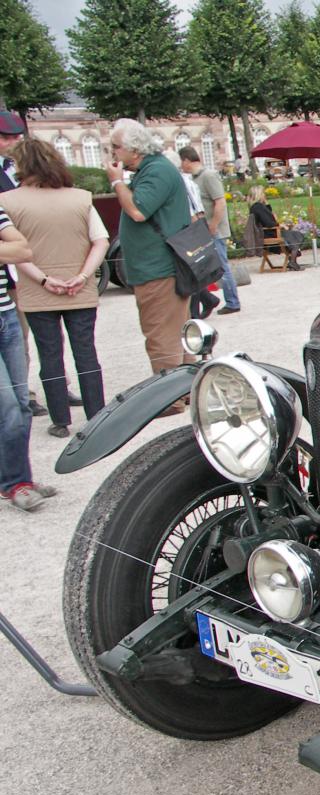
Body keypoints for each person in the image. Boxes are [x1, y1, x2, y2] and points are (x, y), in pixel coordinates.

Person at [4, 139, 108, 441]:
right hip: (80, 286)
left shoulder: (9, 201)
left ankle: (60, 419)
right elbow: (99, 239)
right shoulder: (80, 197)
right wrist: (84, 275)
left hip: (39, 290)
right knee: (86, 352)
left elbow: (17, 252)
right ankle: (96, 414)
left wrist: (44, 279)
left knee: (49, 354)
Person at [107, 118, 196, 379]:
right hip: (157, 267)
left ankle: (169, 395)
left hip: (158, 269)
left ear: (134, 149)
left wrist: (116, 182)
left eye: (116, 146)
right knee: (176, 330)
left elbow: (137, 211)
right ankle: (183, 388)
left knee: (160, 333)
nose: (113, 152)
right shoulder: (153, 170)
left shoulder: (156, 171)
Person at [0, 202, 54, 511]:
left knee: (19, 403)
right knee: (7, 405)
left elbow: (23, 250)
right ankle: (15, 483)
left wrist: (11, 247)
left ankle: (18, 479)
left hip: (6, 315)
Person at [0, 109, 51, 418]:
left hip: (28, 258)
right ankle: (24, 395)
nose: (12, 143)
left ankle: (44, 387)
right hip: (10, 270)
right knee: (18, 335)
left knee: (39, 332)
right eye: (6, 138)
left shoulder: (18, 168)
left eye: (16, 137)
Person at [177, 146, 240, 315]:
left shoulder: (209, 176)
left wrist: (213, 225)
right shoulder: (195, 178)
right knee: (208, 266)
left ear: (186, 160)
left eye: (181, 162)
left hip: (214, 229)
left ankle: (233, 302)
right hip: (205, 228)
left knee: (221, 266)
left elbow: (220, 202)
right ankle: (211, 300)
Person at [167, 150, 220, 319]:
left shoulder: (179, 182)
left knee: (192, 270)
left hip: (191, 225)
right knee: (194, 269)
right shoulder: (188, 181)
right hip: (197, 222)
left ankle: (196, 312)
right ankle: (206, 299)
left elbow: (191, 209)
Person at [247, 185, 303, 271]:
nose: (264, 195)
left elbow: (267, 216)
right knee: (297, 234)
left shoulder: (255, 207)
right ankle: (293, 259)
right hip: (270, 233)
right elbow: (269, 223)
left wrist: (267, 204)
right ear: (259, 194)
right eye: (263, 193)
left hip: (267, 233)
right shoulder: (258, 207)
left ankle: (293, 259)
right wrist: (280, 225)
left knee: (293, 234)